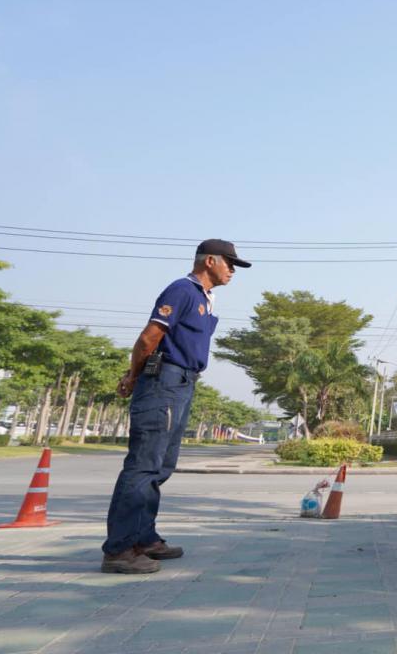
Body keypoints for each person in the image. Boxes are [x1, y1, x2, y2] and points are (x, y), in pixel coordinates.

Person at [100, 239, 250, 574]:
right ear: (209, 261)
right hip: (163, 382)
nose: (232, 271)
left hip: (183, 382)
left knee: (162, 466)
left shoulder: (203, 298)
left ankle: (143, 538)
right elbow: (149, 337)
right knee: (143, 466)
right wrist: (133, 375)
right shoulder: (182, 290)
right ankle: (119, 549)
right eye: (229, 263)